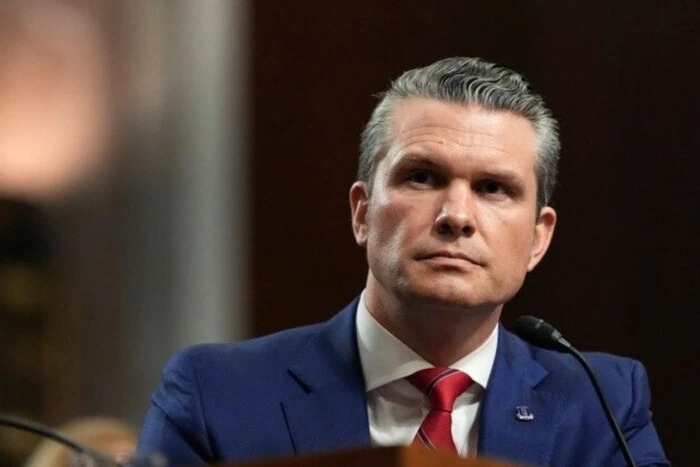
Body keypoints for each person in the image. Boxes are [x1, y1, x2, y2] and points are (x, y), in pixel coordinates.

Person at [137, 57, 669, 466]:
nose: (456, 215)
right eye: (422, 177)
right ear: (362, 212)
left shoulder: (602, 404)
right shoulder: (215, 395)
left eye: (493, 188)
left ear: (537, 238)